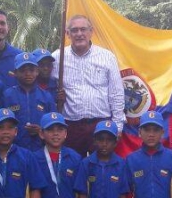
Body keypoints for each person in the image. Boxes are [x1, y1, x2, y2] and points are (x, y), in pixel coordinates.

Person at [52, 15, 126, 155]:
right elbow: (47, 87)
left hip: (101, 125)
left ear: (91, 31)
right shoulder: (57, 58)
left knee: (100, 169)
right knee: (72, 170)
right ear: (67, 34)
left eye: (83, 29)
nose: (79, 34)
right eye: (74, 30)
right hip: (70, 126)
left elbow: (116, 93)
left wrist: (118, 125)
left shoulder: (107, 57)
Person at [2, 52, 56, 152]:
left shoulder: (46, 96)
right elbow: (1, 124)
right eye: (23, 70)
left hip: (40, 150)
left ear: (37, 71)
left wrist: (41, 130)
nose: (28, 74)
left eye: (31, 70)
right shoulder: (7, 95)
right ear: (15, 72)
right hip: (14, 150)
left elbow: (54, 126)